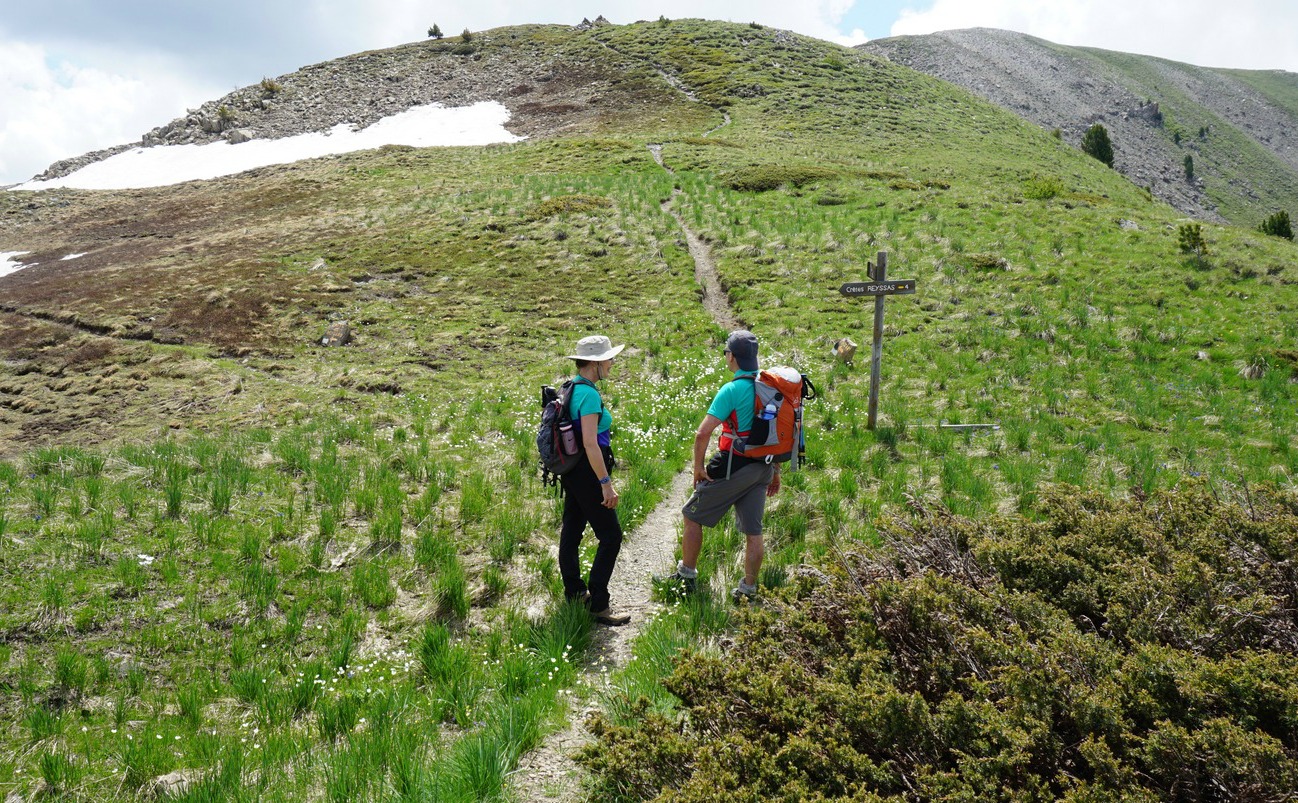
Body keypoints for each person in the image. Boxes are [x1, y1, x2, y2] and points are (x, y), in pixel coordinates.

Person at [660, 330, 779, 601]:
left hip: (733, 466)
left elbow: (702, 433)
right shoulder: (770, 388)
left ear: (731, 357)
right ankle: (748, 589)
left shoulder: (732, 389)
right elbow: (777, 434)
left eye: (727, 353)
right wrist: (775, 472)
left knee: (691, 515)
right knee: (754, 531)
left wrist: (698, 468)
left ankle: (686, 576)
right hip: (764, 468)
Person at [558, 334, 631, 626]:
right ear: (594, 363)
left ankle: (575, 593)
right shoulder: (588, 394)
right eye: (609, 359)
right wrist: (605, 482)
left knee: (572, 532)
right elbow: (590, 442)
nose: (612, 364)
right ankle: (599, 606)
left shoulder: (571, 387)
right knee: (611, 537)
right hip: (589, 471)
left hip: (573, 471)